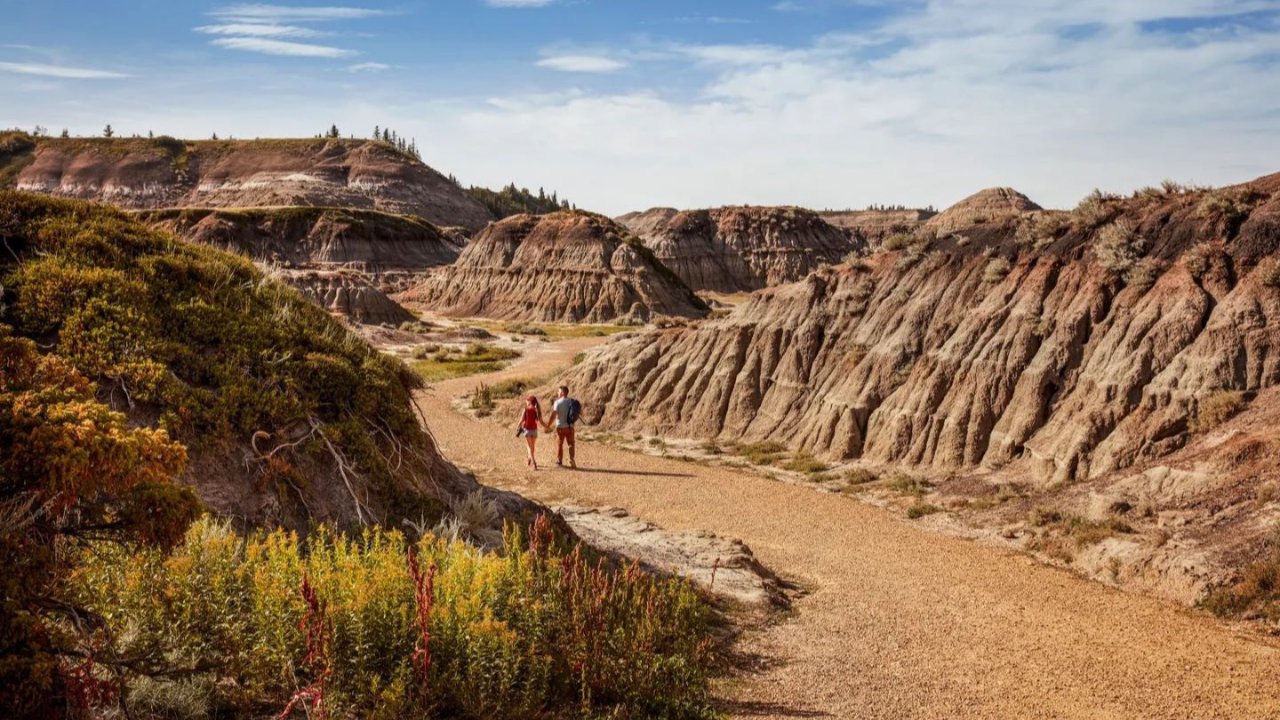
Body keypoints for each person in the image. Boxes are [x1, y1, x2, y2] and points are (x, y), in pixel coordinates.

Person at [544, 385, 579, 469]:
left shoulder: (558, 402)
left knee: (560, 444)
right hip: (570, 427)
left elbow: (554, 414)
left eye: (559, 391)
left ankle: (559, 461)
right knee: (571, 443)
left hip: (560, 427)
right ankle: (572, 459)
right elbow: (578, 413)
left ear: (563, 392)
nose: (558, 393)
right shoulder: (572, 401)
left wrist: (548, 425)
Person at [517, 395, 544, 469]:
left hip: (527, 430)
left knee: (529, 446)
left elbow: (521, 420)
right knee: (532, 446)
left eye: (526, 400)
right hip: (534, 431)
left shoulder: (525, 409)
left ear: (529, 401)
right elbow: (539, 420)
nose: (526, 402)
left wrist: (518, 427)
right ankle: (529, 457)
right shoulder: (536, 410)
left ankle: (533, 462)